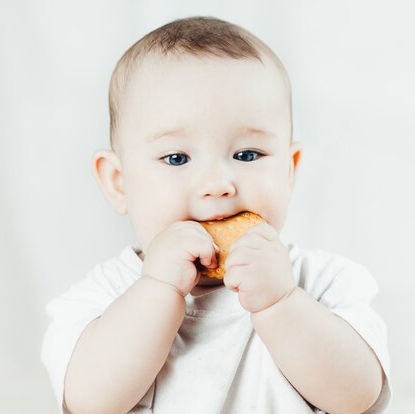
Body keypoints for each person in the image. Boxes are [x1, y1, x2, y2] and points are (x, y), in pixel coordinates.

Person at [41, 16, 391, 414]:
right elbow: (88, 403)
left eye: (247, 155)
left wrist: (281, 302)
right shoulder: (101, 297)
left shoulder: (324, 282)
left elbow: (359, 397)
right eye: (177, 158)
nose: (217, 184)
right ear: (119, 182)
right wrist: (157, 290)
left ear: (288, 169)